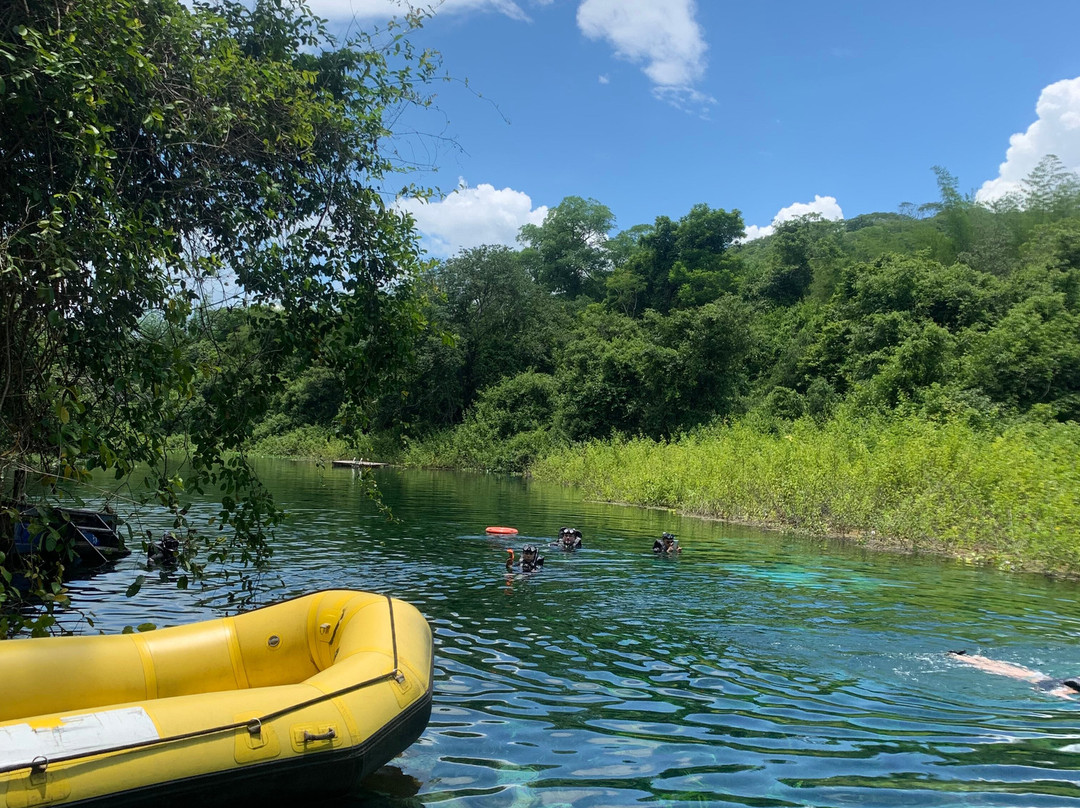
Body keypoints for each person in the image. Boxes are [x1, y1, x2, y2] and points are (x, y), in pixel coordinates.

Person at [947, 650, 1080, 699]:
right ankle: (963, 658)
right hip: (1045, 681)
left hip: (1044, 678)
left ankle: (966, 657)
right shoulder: (1072, 688)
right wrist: (1066, 698)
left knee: (1006, 669)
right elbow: (1057, 692)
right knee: (1002, 670)